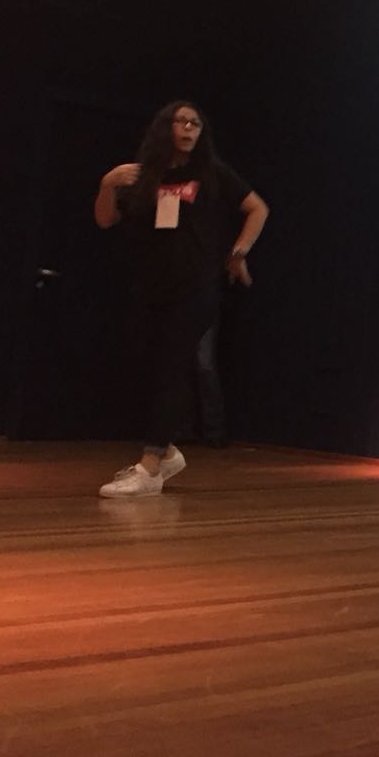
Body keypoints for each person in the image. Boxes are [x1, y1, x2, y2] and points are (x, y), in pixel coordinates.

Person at [94, 101, 268, 498]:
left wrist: (238, 253)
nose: (189, 128)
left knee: (171, 368)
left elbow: (258, 208)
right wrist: (107, 184)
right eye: (182, 122)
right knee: (143, 368)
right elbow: (105, 219)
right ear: (165, 127)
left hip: (196, 288)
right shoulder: (145, 175)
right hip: (151, 287)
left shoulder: (211, 172)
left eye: (196, 123)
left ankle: (150, 467)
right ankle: (167, 451)